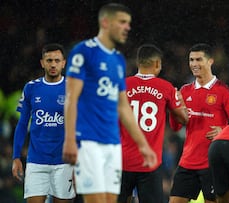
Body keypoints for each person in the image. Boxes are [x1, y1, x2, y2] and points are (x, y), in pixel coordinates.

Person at [61, 3, 157, 203]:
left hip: (113, 144)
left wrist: (143, 145)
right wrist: (70, 139)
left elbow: (123, 107)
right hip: (88, 141)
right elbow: (71, 98)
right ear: (105, 22)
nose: (127, 27)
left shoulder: (118, 60)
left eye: (129, 23)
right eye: (122, 22)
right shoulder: (83, 52)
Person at [168, 43, 229, 203]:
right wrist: (174, 108)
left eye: (199, 59)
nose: (194, 64)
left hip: (212, 163)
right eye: (191, 60)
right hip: (187, 161)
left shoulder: (224, 91)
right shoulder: (185, 91)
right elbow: (175, 127)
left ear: (210, 61)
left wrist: (223, 130)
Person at [118, 44, 188, 203]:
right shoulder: (166, 88)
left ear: (138, 62)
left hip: (122, 161)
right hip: (149, 164)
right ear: (157, 64)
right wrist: (181, 102)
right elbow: (183, 120)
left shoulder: (121, 85)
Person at [12, 43, 75, 203]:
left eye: (56, 60)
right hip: (36, 161)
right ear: (42, 63)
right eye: (49, 60)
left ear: (63, 63)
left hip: (64, 162)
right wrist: (16, 157)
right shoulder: (31, 88)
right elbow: (22, 124)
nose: (53, 64)